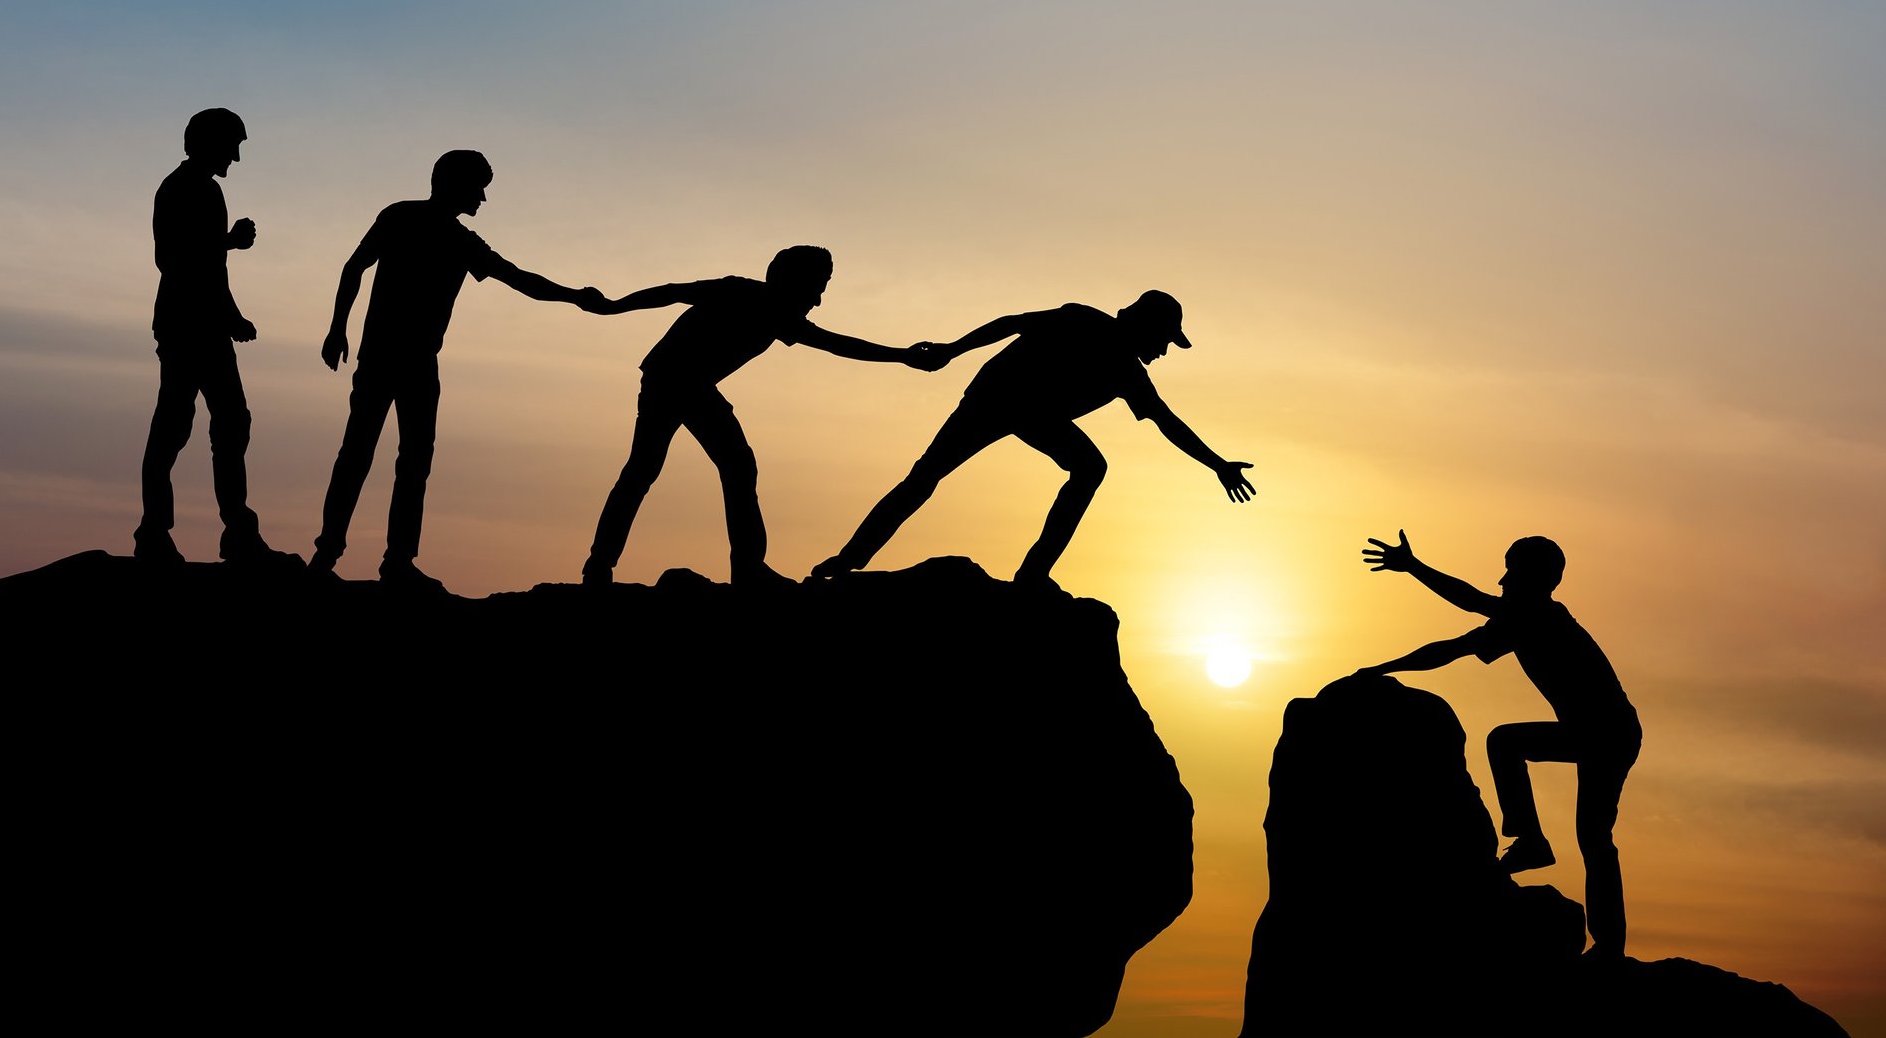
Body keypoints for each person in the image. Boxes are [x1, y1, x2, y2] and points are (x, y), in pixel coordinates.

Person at [809, 291, 1255, 591]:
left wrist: (1217, 465)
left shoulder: (1129, 373)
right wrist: (952, 349)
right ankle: (848, 559)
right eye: (1164, 340)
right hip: (994, 398)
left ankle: (1032, 576)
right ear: (1144, 324)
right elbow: (1012, 323)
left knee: (1088, 468)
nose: (1164, 351)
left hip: (1035, 414)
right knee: (925, 477)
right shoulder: (1081, 319)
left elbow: (1167, 422)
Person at [309, 150, 606, 590]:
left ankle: (385, 560)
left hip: (408, 363)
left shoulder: (442, 233)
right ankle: (340, 555)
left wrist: (573, 297)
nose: (483, 199)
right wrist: (336, 329)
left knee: (398, 458)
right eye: (478, 187)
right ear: (454, 184)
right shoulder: (426, 228)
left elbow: (520, 279)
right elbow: (355, 267)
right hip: (392, 360)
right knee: (370, 455)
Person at [1355, 530, 1642, 959]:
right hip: (1611, 732)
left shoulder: (1541, 617)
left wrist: (1414, 567)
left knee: (1508, 744)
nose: (1502, 580)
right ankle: (1608, 942)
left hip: (1608, 731)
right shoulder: (1521, 623)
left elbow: (1471, 600)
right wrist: (1382, 669)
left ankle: (1532, 843)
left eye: (1511, 571)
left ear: (1532, 578)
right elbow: (1452, 648)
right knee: (1594, 836)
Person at [584, 245, 934, 587]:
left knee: (655, 471)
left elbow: (835, 343)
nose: (818, 300)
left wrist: (901, 356)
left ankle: (603, 565)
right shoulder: (742, 292)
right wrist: (613, 307)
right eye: (819, 285)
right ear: (794, 279)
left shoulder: (780, 315)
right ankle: (745, 568)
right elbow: (673, 293)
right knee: (713, 467)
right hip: (676, 380)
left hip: (680, 381)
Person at [135, 107, 281, 564]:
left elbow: (213, 274)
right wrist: (228, 242)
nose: (235, 158)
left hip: (210, 327)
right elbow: (172, 259)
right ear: (208, 143)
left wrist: (233, 318)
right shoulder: (178, 189)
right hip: (182, 327)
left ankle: (238, 532)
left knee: (232, 424)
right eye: (231, 147)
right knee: (173, 428)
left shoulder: (210, 192)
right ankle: (154, 533)